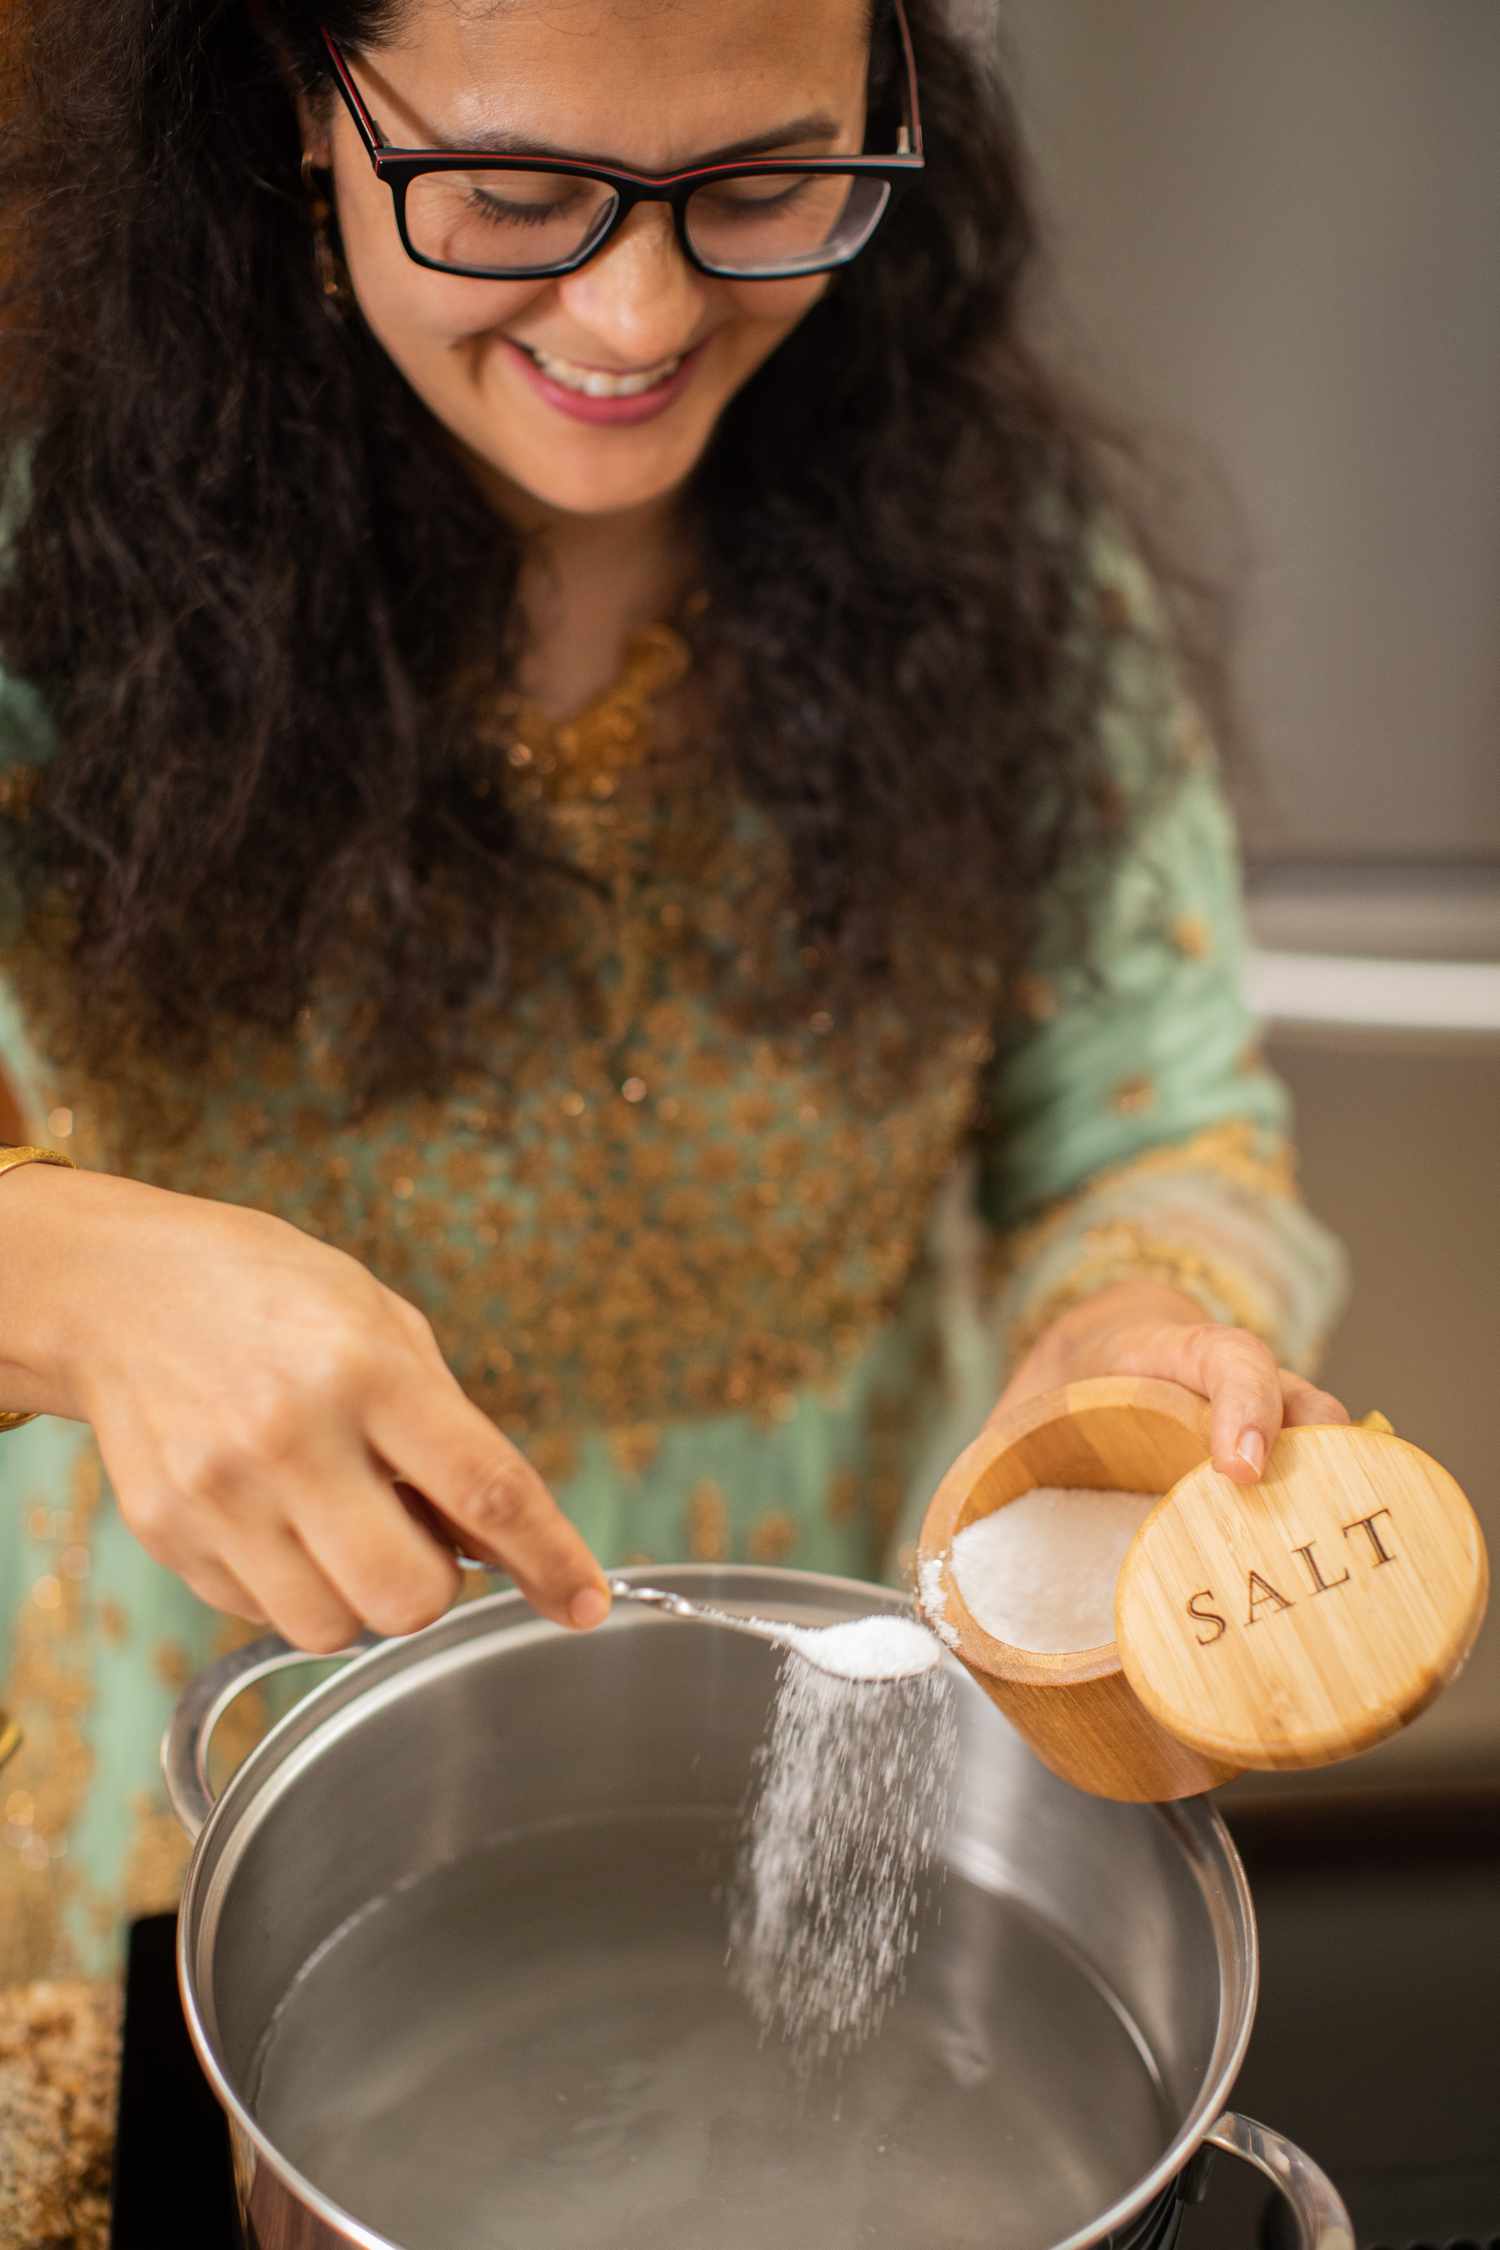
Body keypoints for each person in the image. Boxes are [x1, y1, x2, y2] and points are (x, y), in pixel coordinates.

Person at [0, 0, 1348, 2219]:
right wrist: (71, 1281)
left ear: (895, 114)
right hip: (209, 1751)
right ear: (288, 108)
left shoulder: (1006, 569)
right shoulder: (48, 577)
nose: (637, 312)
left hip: (852, 1727)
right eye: (512, 196)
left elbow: (1147, 1113)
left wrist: (1127, 1344)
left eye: (760, 186)